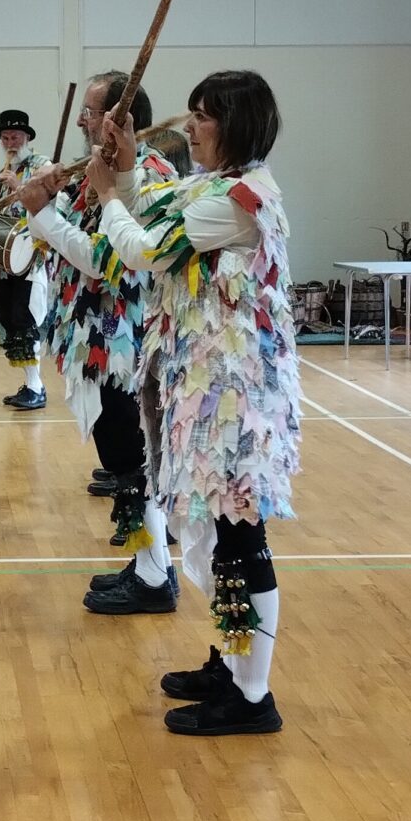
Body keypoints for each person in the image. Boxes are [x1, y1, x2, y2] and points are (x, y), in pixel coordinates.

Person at [86, 69, 301, 735]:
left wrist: (104, 197)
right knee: (215, 529)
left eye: (202, 117)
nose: (188, 127)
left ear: (234, 124)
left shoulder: (238, 199)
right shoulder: (209, 187)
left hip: (235, 397)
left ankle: (253, 695)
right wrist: (122, 175)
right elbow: (153, 210)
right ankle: (229, 662)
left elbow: (147, 250)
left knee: (239, 536)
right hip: (208, 387)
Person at [18, 73, 178, 613]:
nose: (83, 120)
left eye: (91, 110)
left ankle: (156, 577)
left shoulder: (147, 172)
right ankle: (147, 565)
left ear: (119, 119)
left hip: (124, 341)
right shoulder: (100, 171)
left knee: (129, 453)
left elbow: (103, 260)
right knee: (120, 454)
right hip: (99, 339)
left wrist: (43, 214)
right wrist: (50, 202)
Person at [0, 110, 50, 409]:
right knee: (10, 320)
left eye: (15, 137)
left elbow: (49, 208)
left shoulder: (42, 168)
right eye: (5, 137)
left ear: (27, 138)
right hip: (3, 259)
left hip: (30, 256)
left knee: (26, 318)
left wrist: (16, 187)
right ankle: (29, 383)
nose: (10, 142)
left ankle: (37, 387)